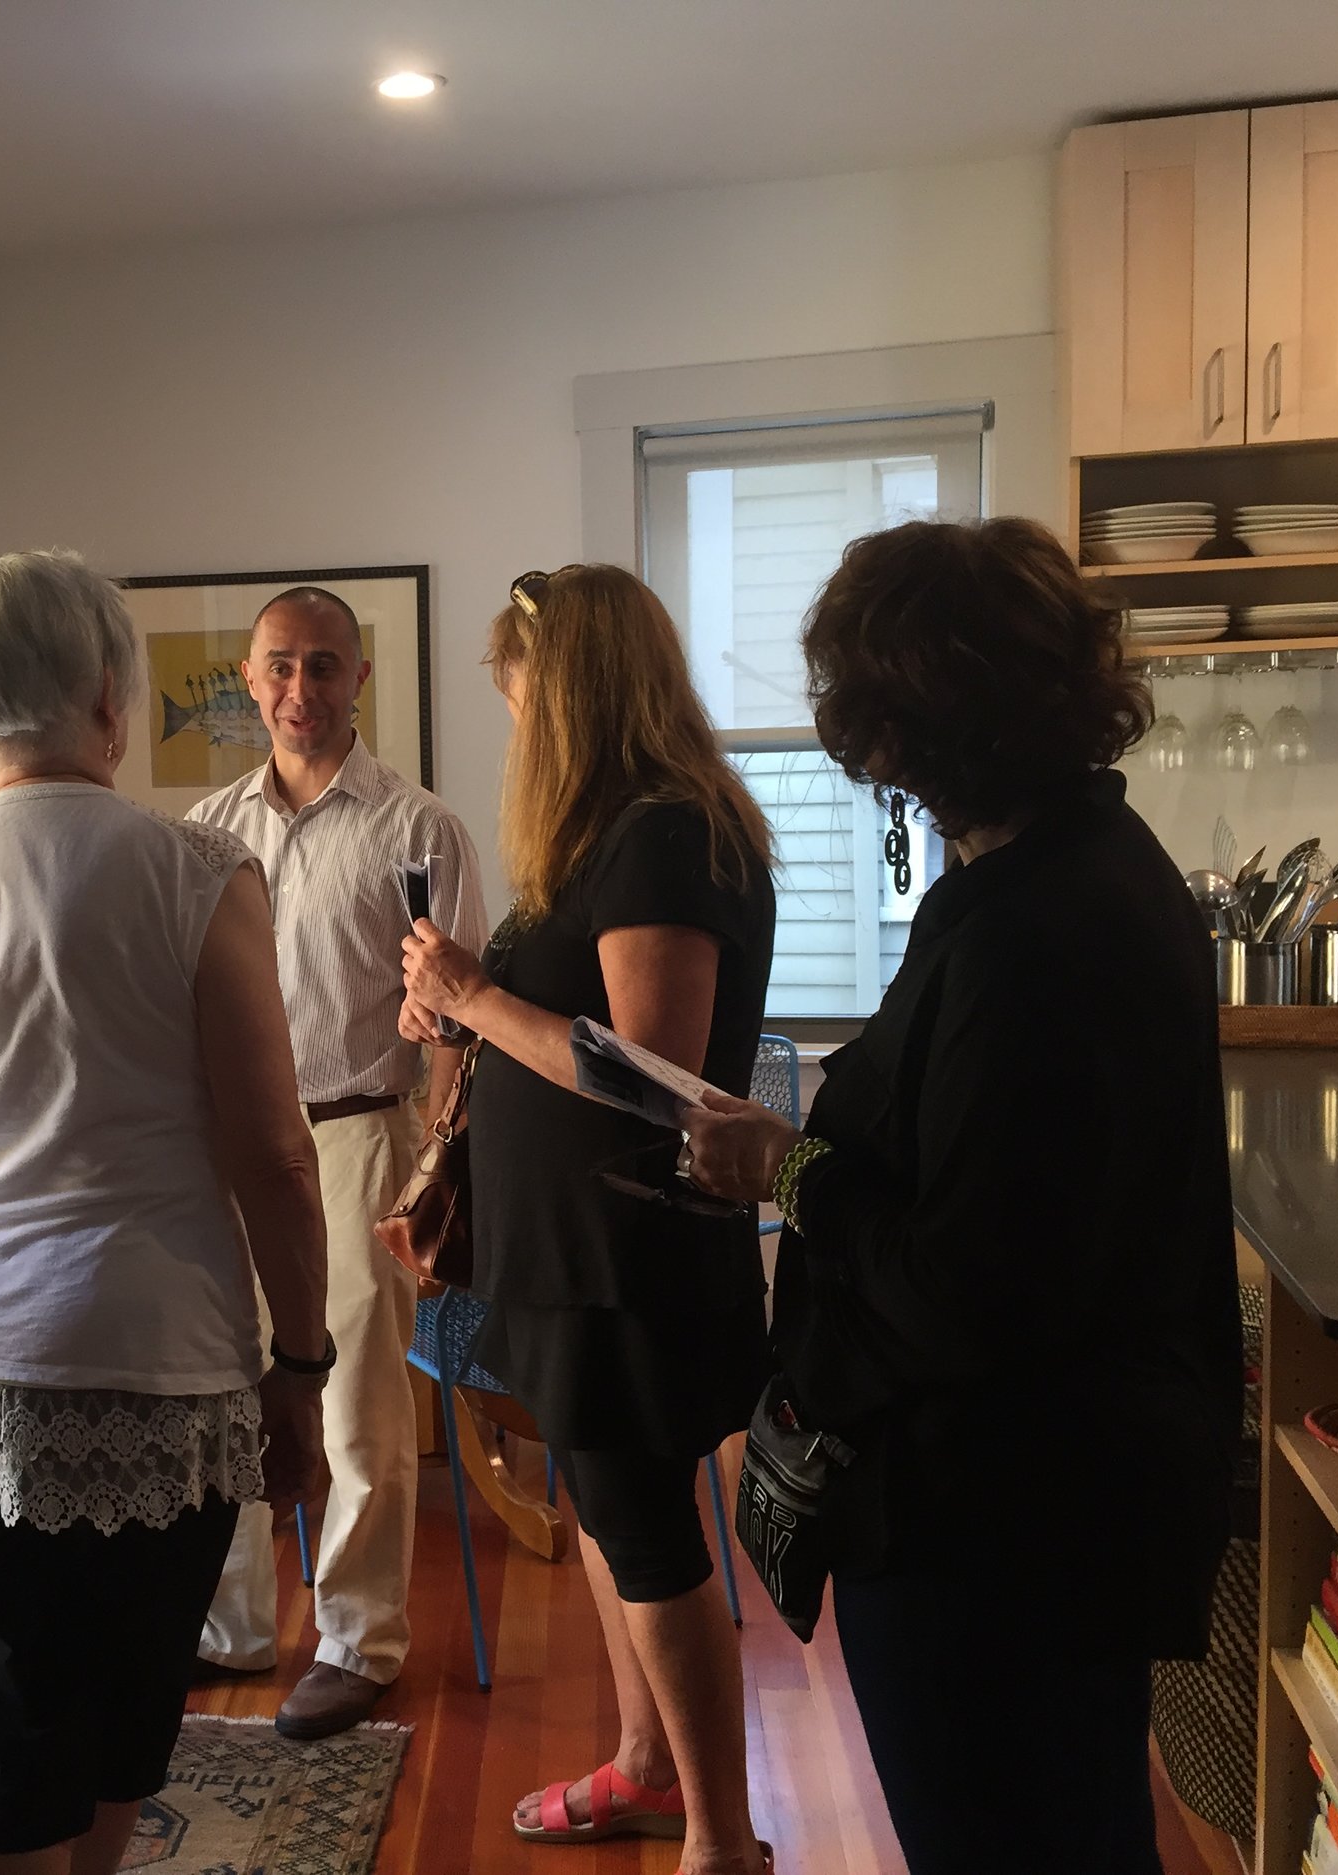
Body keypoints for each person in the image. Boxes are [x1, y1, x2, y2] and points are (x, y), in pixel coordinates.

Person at [680, 518, 1241, 1875]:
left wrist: (784, 1168)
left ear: (914, 722)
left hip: (1000, 1529)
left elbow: (963, 1286)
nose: (862, 756)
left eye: (867, 721)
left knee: (1007, 1835)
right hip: (1042, 1512)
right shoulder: (1061, 870)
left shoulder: (1039, 931)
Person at [0, 550, 333, 1875]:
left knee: (6, 1727)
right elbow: (277, 1156)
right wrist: (304, 1362)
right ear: (108, 697)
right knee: (128, 1704)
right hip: (159, 1354)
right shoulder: (198, 873)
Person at [400, 564, 776, 1874]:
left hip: (626, 1254)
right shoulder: (619, 831)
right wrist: (459, 1012)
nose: (512, 719)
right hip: (576, 1249)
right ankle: (648, 1762)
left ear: (568, 693)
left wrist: (476, 994)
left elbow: (648, 1066)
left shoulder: (661, 835)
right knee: (625, 1515)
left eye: (518, 692)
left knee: (651, 1531)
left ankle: (722, 1836)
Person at [185, 585, 489, 1739]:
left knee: (359, 1405)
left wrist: (434, 1166)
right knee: (226, 1390)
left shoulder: (419, 831)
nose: (299, 690)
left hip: (365, 1136)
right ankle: (232, 1626)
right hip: (230, 1149)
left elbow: (461, 1020)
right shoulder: (207, 834)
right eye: (278, 667)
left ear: (359, 678)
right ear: (248, 682)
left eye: (322, 666)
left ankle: (360, 1641)